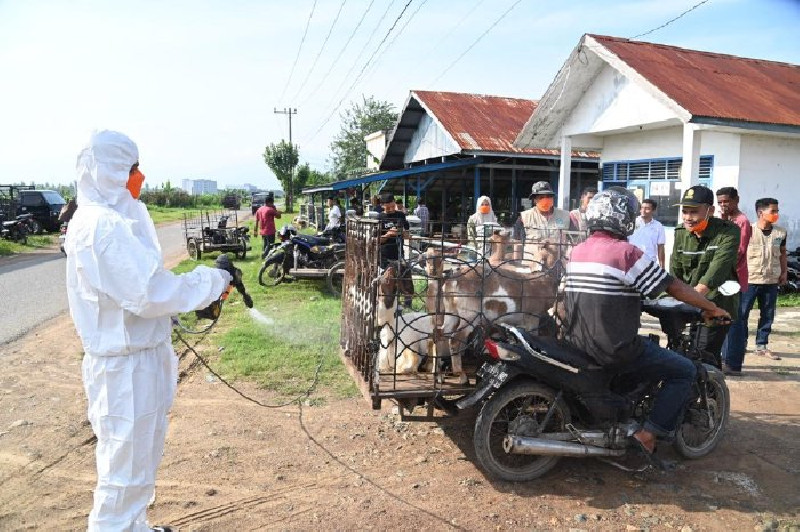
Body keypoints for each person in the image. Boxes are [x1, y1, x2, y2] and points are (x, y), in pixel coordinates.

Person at [65, 130, 232, 532]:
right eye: (131, 169)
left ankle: (133, 527)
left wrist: (184, 306)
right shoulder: (101, 227)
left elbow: (138, 293)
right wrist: (212, 280)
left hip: (139, 359)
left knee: (139, 462)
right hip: (125, 371)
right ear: (108, 172)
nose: (139, 177)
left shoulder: (113, 221)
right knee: (123, 473)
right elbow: (149, 292)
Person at [563, 187, 729, 457]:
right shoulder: (626, 254)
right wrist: (710, 307)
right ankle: (648, 433)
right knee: (684, 370)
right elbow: (671, 286)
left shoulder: (577, 252)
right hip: (614, 349)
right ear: (625, 218)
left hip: (576, 344)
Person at [670, 185, 740, 367]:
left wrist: (690, 297)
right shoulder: (680, 233)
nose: (687, 217)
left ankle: (711, 393)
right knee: (682, 351)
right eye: (684, 212)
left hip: (718, 303)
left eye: (694, 212)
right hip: (691, 302)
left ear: (711, 210)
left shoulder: (728, 231)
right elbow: (675, 271)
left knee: (705, 353)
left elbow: (718, 268)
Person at [722, 198, 786, 375]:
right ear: (760, 213)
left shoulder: (781, 233)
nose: (776, 215)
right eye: (772, 211)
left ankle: (762, 345)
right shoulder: (748, 230)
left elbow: (782, 254)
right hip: (750, 280)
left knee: (768, 314)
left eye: (776, 211)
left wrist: (784, 272)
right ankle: (739, 346)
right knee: (741, 315)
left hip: (771, 281)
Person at [716, 187, 752, 292]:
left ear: (737, 200)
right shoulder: (723, 218)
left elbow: (739, 250)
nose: (723, 205)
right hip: (721, 272)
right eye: (720, 202)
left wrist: (722, 264)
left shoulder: (742, 221)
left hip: (735, 274)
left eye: (726, 201)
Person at [628, 198, 667, 268]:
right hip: (632, 263)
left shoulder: (658, 226)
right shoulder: (632, 222)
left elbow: (661, 247)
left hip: (650, 263)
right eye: (642, 208)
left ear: (653, 210)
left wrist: (662, 266)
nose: (643, 211)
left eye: (647, 208)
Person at [255, 193, 282, 258]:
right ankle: (266, 256)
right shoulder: (270, 209)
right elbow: (279, 216)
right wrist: (275, 209)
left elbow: (256, 221)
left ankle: (264, 255)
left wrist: (255, 231)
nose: (273, 204)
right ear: (270, 203)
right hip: (270, 230)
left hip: (262, 230)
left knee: (265, 244)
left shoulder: (259, 209)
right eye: (272, 203)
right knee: (270, 245)